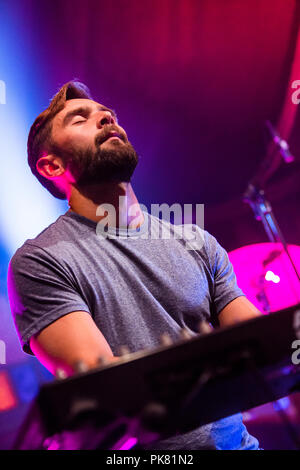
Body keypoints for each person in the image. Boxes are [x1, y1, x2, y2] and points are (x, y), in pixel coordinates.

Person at [7, 81, 261, 450]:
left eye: (107, 114)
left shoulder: (197, 242)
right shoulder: (41, 261)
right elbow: (110, 391)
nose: (106, 118)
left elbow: (261, 349)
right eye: (81, 118)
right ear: (52, 165)